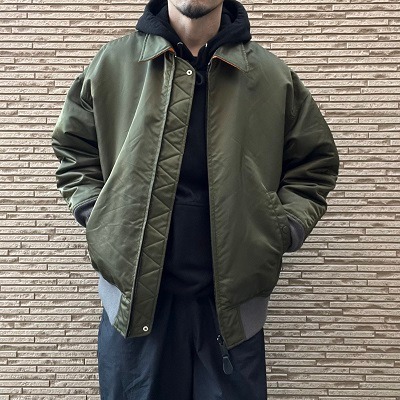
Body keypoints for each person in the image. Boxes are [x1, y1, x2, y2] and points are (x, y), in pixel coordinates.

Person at [51, 0, 339, 398]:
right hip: (134, 314)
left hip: (232, 318)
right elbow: (73, 148)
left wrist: (282, 228)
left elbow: (314, 164)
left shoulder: (272, 77)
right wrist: (98, 213)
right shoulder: (114, 64)